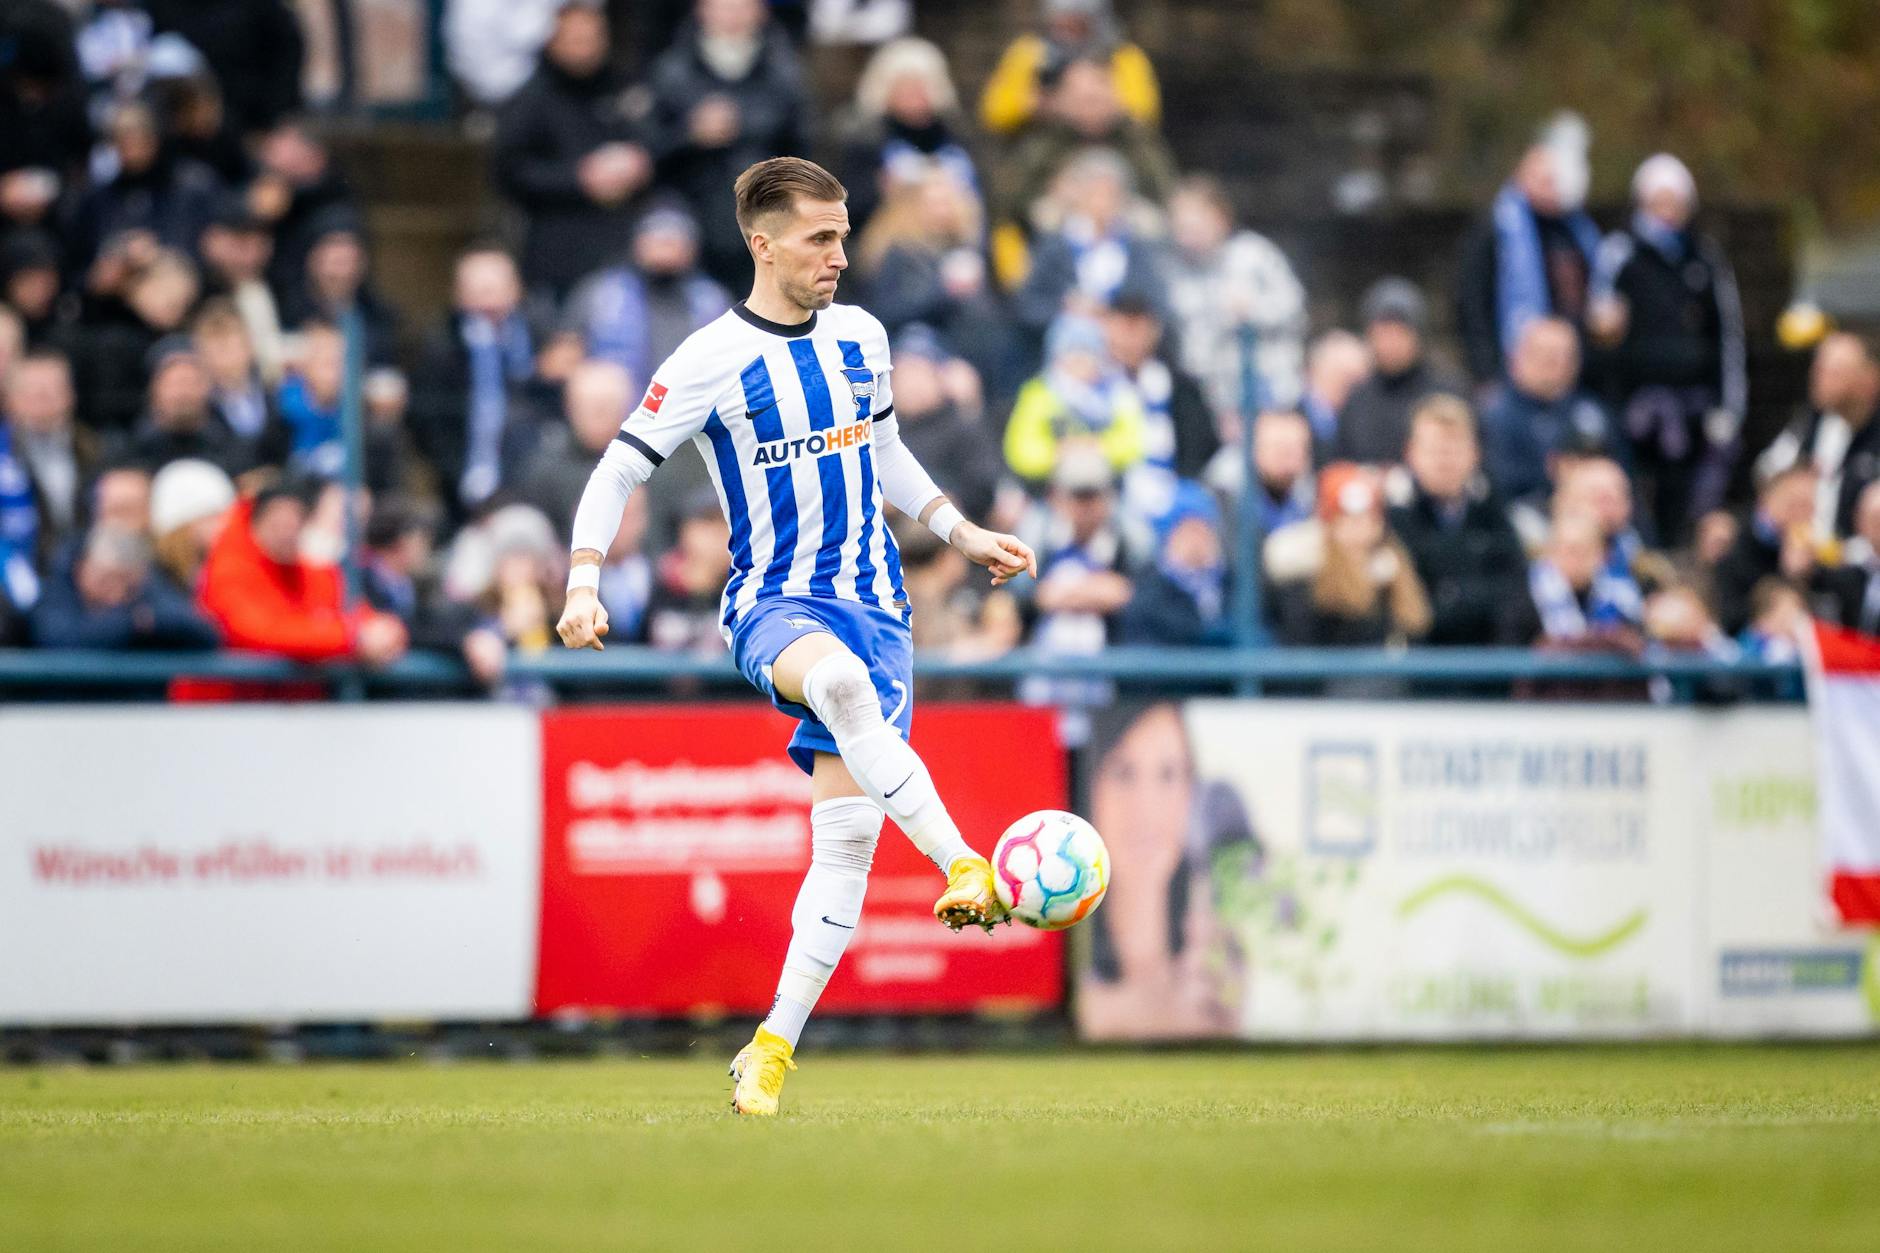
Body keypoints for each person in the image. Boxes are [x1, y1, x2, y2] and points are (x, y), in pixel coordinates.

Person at [553, 157, 1039, 1116]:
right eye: (820, 239)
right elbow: (615, 471)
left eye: (845, 234)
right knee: (845, 689)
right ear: (762, 244)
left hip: (878, 604)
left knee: (848, 838)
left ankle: (770, 1047)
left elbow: (887, 448)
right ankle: (964, 865)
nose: (840, 256)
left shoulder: (863, 334)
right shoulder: (708, 360)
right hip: (775, 603)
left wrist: (963, 530)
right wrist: (582, 582)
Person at [1588, 153, 1746, 546]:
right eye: (1658, 202)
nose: (1667, 213)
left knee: (1692, 499)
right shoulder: (1618, 253)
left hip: (1693, 408)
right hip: (1636, 410)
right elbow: (1600, 330)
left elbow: (1727, 334)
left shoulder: (1704, 259)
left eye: (1675, 203)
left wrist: (1729, 407)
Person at [646, 0, 812, 289]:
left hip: (763, 220)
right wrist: (691, 134)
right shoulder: (671, 71)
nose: (734, 14)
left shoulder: (785, 72)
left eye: (744, 5)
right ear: (702, 9)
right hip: (691, 222)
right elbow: (649, 153)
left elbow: (803, 150)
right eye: (724, 5)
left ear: (762, 11)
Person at [492, 1, 654, 298]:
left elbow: (654, 143)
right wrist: (578, 179)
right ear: (553, 40)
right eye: (576, 40)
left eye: (593, 39)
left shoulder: (622, 89)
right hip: (557, 245)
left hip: (625, 239)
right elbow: (509, 172)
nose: (586, 49)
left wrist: (639, 163)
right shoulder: (530, 101)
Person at [409, 245, 557, 523]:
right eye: (478, 292)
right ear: (459, 295)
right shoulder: (440, 347)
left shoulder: (541, 338)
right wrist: (453, 471)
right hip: (463, 488)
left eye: (496, 290)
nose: (489, 304)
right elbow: (426, 421)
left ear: (516, 290)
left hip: (532, 483)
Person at [197, 476, 408, 663]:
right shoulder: (228, 569)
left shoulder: (315, 572)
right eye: (278, 523)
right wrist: (351, 638)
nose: (287, 533)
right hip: (226, 703)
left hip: (290, 702)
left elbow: (362, 616)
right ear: (258, 521)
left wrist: (385, 633)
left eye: (295, 522)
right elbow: (258, 632)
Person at [1386, 395, 1529, 645]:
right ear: (1410, 454)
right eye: (1434, 450)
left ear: (1475, 454)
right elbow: (1406, 612)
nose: (1444, 461)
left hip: (1488, 664)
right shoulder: (1392, 520)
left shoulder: (1494, 515)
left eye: (1453, 449)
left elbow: (1514, 595)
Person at [1455, 141, 1601, 383]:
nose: (1549, 184)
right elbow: (1472, 302)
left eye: (1554, 177)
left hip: (1577, 367)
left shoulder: (1578, 230)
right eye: (1540, 176)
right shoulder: (1496, 229)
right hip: (1513, 367)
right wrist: (1485, 369)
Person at [1164, 175, 1308, 419]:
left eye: (1197, 225)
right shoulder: (1177, 273)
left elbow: (1295, 308)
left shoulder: (1253, 255)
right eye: (1183, 228)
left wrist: (1253, 309)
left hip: (1270, 388)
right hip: (1214, 401)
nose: (1190, 236)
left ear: (1221, 218)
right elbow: (1188, 349)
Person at [562, 204, 733, 389]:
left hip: (691, 400)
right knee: (596, 381)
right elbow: (562, 355)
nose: (664, 251)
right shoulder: (602, 292)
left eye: (673, 241)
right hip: (619, 397)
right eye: (656, 240)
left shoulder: (712, 299)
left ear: (692, 249)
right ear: (637, 244)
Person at [1263, 461, 1431, 646]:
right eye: (1347, 520)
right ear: (1328, 526)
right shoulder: (1305, 585)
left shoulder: (1394, 574)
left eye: (1369, 518)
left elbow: (1416, 628)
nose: (1360, 529)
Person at [836, 37, 978, 232]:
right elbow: (846, 208)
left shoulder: (957, 138)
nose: (913, 95)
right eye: (903, 87)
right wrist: (880, 189)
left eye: (920, 86)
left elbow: (981, 202)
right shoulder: (866, 142)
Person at [1101, 292, 1218, 524]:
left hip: (1175, 490)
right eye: (1123, 328)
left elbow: (1201, 445)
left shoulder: (1179, 387)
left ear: (1154, 331)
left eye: (1138, 329)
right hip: (1109, 495)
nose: (1130, 340)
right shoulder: (1092, 388)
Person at [1756, 332, 1880, 541]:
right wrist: (1790, 485)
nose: (1816, 378)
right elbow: (1766, 469)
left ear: (1870, 379)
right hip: (1801, 546)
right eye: (1817, 368)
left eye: (1833, 372)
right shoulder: (1816, 420)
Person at [1478, 315, 1612, 508]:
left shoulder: (1591, 411)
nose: (1555, 363)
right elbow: (1499, 487)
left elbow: (1623, 473)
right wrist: (1560, 479)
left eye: (1564, 355)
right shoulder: (1495, 415)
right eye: (1544, 354)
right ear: (1516, 357)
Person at [1003, 313, 1146, 491]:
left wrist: (1096, 447)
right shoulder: (1040, 393)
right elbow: (1020, 451)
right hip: (1052, 492)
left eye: (1087, 355)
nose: (1080, 364)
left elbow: (1133, 443)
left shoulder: (1118, 392)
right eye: (1072, 356)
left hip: (1109, 490)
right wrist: (1058, 453)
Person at [978, 0, 1160, 137]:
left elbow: (1145, 113)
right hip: (1046, 144)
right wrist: (1043, 105)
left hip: (1110, 143)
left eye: (1076, 26)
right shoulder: (1030, 53)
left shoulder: (1123, 56)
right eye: (1061, 25)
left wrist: (1099, 103)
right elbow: (993, 115)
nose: (1067, 35)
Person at [1332, 278, 1464, 466]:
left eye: (1399, 333)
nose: (1391, 344)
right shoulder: (1357, 399)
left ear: (1418, 336)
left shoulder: (1448, 392)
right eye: (1383, 334)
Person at [30, 523, 218, 649]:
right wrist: (133, 622)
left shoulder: (148, 587)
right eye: (105, 580)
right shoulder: (56, 589)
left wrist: (148, 619)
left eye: (127, 585)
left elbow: (203, 631)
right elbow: (57, 639)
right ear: (81, 568)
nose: (115, 594)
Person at [1711, 465, 1824, 636]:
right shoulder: (1733, 542)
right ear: (1767, 498)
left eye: (1808, 506)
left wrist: (1799, 576)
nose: (1801, 514)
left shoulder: (1816, 558)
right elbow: (1727, 617)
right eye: (1794, 504)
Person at [3, 349, 94, 554]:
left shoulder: (96, 451)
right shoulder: (3, 454)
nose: (42, 398)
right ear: (9, 399)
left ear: (71, 395)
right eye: (31, 391)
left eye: (52, 390)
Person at [1118, 481, 1230, 645]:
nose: (1196, 541)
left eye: (1202, 529)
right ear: (1169, 535)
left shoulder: (1232, 583)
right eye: (1187, 530)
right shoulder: (1148, 588)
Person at [1298, 330, 1370, 454]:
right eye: (1344, 376)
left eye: (1359, 379)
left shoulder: (1365, 422)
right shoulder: (1290, 421)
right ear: (1313, 371)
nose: (1352, 387)